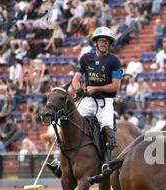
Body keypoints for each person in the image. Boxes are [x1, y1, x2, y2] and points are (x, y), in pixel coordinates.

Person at [47, 27, 123, 177]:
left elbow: (116, 85)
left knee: (108, 130)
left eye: (106, 41)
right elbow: (76, 79)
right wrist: (78, 89)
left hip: (104, 103)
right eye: (101, 40)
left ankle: (106, 165)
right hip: (87, 101)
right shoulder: (85, 58)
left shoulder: (114, 61)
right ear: (95, 42)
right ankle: (58, 162)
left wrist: (95, 89)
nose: (103, 43)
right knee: (68, 123)